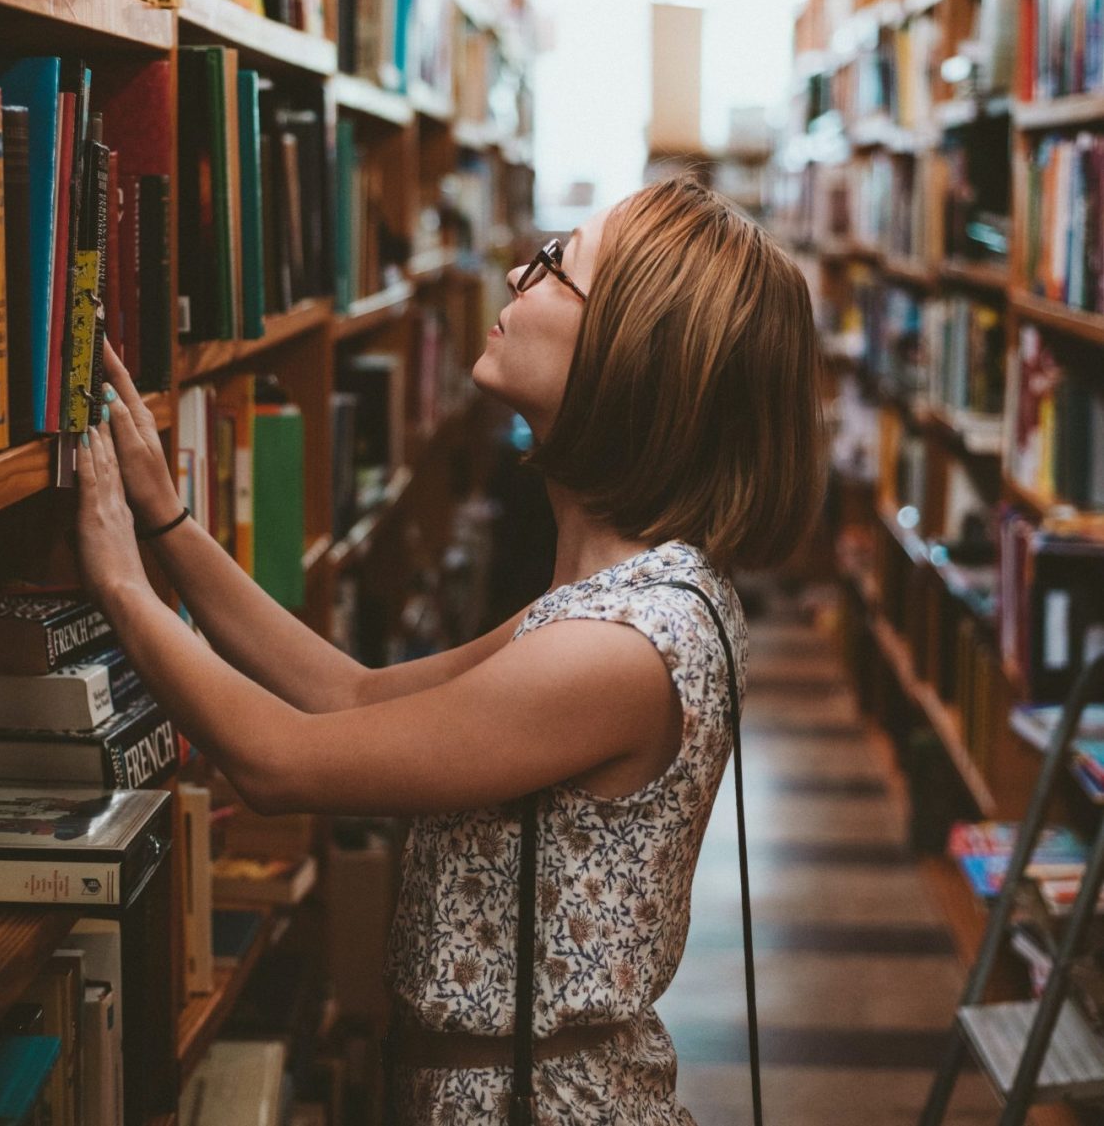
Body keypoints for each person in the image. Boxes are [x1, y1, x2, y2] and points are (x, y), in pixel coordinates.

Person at [75, 174, 825, 1124]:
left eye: (556, 268)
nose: (518, 269)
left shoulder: (620, 646)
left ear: (631, 354)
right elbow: (350, 694)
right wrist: (170, 524)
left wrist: (119, 588)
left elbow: (273, 762)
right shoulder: (620, 600)